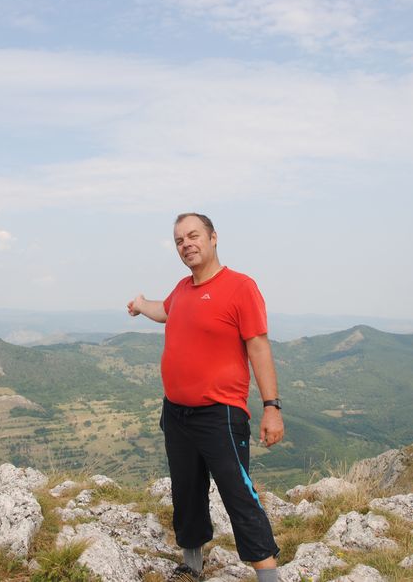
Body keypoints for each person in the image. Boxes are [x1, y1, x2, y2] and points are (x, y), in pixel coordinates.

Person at [127, 213, 284, 582]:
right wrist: (141, 303)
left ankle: (269, 577)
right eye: (179, 240)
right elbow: (164, 311)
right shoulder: (183, 289)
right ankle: (192, 566)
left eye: (193, 236)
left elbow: (258, 347)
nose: (186, 244)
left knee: (238, 495)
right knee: (186, 491)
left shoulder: (240, 286)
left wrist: (271, 408)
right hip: (176, 413)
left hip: (220, 414)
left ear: (213, 238)